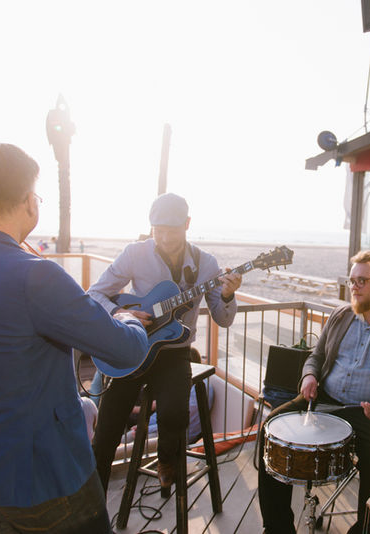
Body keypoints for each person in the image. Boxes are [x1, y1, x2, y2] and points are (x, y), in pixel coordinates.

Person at [0, 143, 150, 533]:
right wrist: (126, 316)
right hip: (44, 482)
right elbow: (126, 351)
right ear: (27, 201)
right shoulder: (35, 275)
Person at [258, 251, 370, 534]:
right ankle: (278, 527)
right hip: (325, 401)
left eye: (362, 280)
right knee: (271, 429)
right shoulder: (340, 315)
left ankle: (366, 529)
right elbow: (316, 356)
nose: (354, 286)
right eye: (352, 280)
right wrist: (309, 375)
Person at [88, 192, 241, 495]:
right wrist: (120, 312)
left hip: (175, 353)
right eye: (159, 230)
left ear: (187, 224)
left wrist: (228, 295)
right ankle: (93, 504)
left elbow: (223, 319)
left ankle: (167, 462)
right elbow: (95, 293)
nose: (166, 238)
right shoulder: (135, 253)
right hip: (134, 346)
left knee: (174, 413)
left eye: (172, 230)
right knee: (106, 431)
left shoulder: (206, 264)